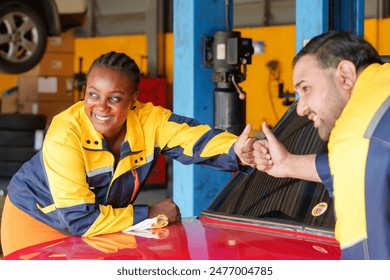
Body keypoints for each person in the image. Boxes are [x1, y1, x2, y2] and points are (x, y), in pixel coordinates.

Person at [1, 51, 257, 257]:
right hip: (36, 220)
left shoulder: (149, 121)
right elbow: (80, 221)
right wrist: (150, 213)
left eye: (114, 98)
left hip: (101, 223)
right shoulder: (65, 133)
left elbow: (196, 140)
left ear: (133, 99)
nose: (100, 106)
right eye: (93, 94)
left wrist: (237, 150)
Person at [253, 31, 390, 260]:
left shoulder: (357, 134)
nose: (300, 108)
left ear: (345, 75)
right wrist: (288, 164)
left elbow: (368, 254)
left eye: (306, 89)